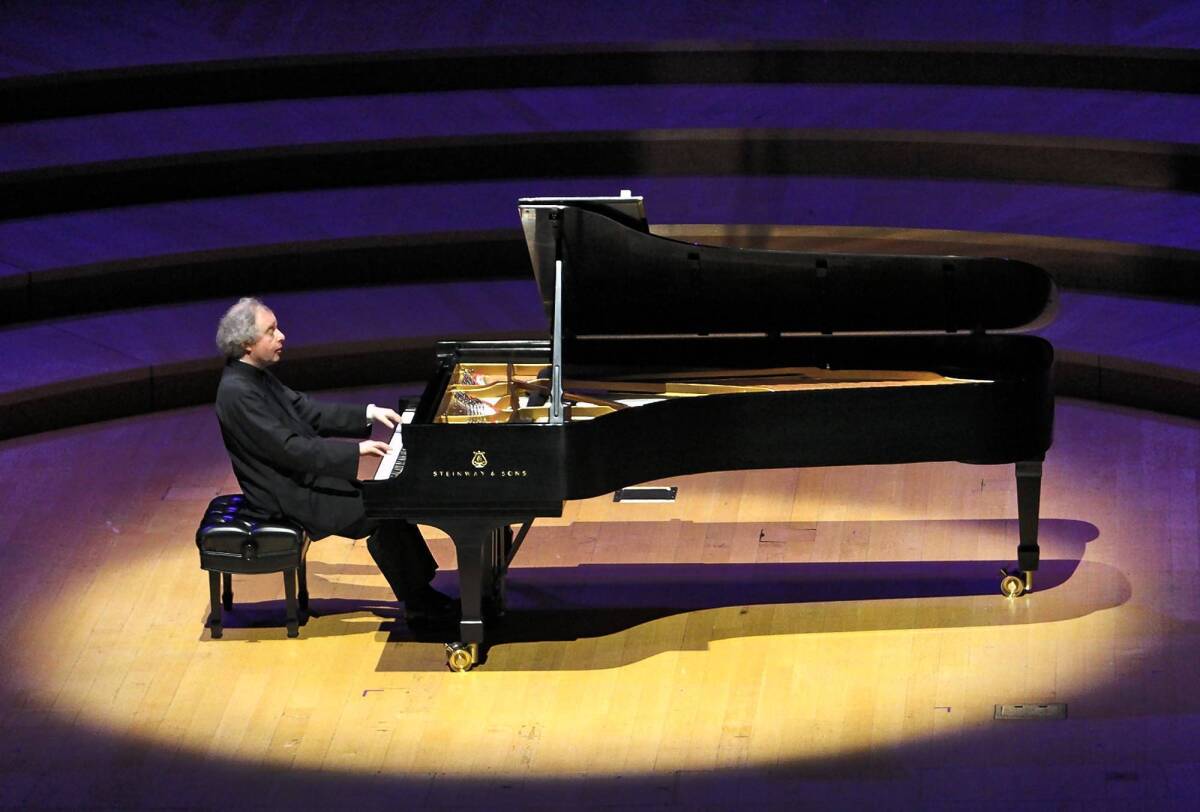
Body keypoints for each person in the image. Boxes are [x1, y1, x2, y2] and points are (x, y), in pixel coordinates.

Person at [213, 296, 455, 621]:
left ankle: (422, 594)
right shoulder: (238, 392)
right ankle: (421, 603)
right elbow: (289, 448)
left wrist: (368, 413)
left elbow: (307, 410)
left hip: (299, 481)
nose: (281, 335)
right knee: (383, 510)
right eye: (271, 331)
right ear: (246, 343)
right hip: (285, 496)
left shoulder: (255, 376)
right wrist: (355, 451)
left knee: (387, 501)